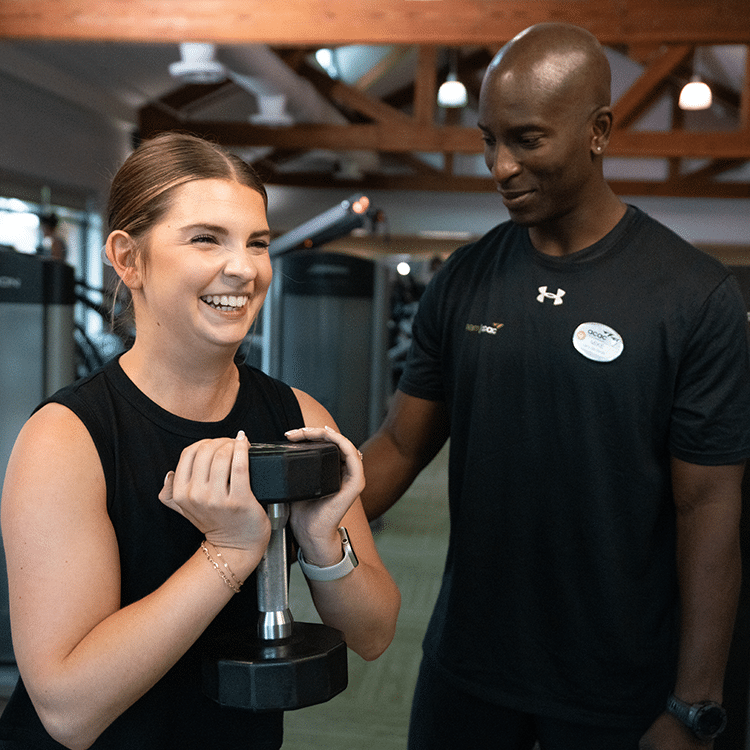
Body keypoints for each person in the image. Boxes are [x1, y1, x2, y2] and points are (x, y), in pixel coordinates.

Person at [359, 22, 750, 750]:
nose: (501, 166)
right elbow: (400, 445)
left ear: (599, 131)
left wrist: (696, 705)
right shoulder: (465, 279)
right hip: (469, 664)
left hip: (617, 681)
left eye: (528, 140)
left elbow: (709, 507)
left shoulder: (693, 296)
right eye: (488, 141)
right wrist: (293, 515)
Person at [0, 132, 400, 750]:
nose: (244, 268)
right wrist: (231, 550)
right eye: (206, 239)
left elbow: (374, 635)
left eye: (257, 242)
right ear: (129, 260)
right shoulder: (66, 438)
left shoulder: (297, 416)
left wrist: (324, 543)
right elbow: (68, 711)